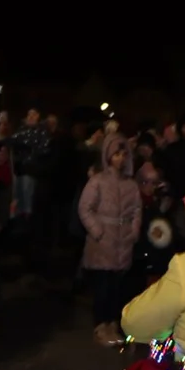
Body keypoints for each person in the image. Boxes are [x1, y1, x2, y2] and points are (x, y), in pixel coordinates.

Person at [78, 133, 142, 347]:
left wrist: (133, 230)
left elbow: (136, 209)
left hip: (123, 241)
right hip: (103, 242)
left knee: (117, 286)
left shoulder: (130, 185)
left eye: (124, 154)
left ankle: (113, 323)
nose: (120, 158)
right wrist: (98, 231)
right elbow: (84, 208)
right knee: (102, 286)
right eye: (116, 154)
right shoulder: (97, 181)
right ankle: (100, 325)